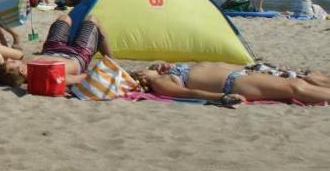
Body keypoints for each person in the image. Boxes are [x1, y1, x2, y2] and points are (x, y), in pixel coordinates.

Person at [0, 15, 109, 88]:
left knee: (64, 18)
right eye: (12, 62)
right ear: (22, 71)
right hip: (78, 54)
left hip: (52, 48)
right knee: (92, 20)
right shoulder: (46, 76)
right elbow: (80, 78)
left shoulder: (22, 71)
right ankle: (111, 58)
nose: (9, 60)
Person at [135, 61, 330, 105]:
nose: (141, 71)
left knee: (297, 82)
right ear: (142, 79)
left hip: (240, 75)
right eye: (138, 74)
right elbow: (190, 94)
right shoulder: (160, 83)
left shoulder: (167, 70)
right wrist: (222, 97)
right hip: (233, 85)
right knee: (295, 88)